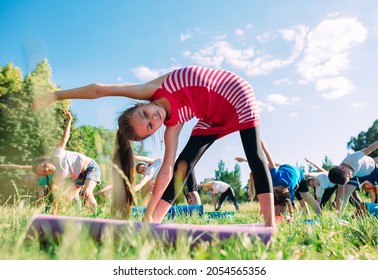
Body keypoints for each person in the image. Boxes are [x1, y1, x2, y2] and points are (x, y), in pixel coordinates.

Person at [32, 65, 275, 228]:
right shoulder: (172, 126)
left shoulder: (151, 90)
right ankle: (153, 222)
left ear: (140, 104)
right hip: (212, 117)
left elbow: (99, 89)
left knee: (253, 154)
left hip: (236, 92)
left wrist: (55, 95)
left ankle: (269, 223)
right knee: (183, 164)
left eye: (146, 114)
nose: (154, 119)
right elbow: (167, 172)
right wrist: (148, 213)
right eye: (149, 126)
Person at [31, 109, 101, 212]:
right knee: (67, 198)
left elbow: (65, 138)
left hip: (90, 167)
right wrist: (54, 210)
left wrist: (69, 120)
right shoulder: (57, 177)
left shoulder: (56, 155)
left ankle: (97, 216)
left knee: (87, 193)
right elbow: (57, 195)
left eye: (44, 165)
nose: (46, 168)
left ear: (46, 160)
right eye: (44, 171)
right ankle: (60, 216)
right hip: (79, 176)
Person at [236, 141, 322, 216]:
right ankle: (281, 214)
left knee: (307, 197)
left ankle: (320, 216)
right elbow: (271, 162)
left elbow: (288, 205)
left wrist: (264, 147)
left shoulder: (286, 187)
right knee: (282, 204)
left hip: (299, 173)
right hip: (286, 170)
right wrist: (263, 147)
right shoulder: (273, 177)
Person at [328, 140, 378, 214]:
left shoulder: (354, 158)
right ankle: (339, 215)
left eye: (348, 175)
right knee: (346, 192)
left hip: (372, 170)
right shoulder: (341, 175)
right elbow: (340, 194)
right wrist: (337, 211)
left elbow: (370, 148)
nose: (350, 176)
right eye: (348, 178)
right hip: (359, 175)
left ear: (342, 168)